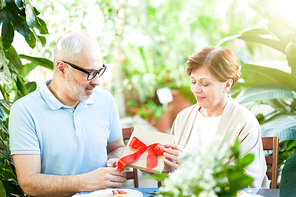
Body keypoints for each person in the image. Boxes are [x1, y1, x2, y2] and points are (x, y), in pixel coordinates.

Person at [9, 32, 126, 197]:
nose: (97, 81)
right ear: (62, 68)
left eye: (99, 71)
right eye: (90, 73)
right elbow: (28, 182)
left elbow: (117, 147)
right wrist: (83, 182)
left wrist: (115, 159)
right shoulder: (25, 110)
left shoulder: (105, 100)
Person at [163, 47, 269, 188]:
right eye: (193, 81)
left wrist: (192, 167)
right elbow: (172, 167)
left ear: (227, 84)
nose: (195, 89)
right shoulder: (184, 117)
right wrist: (153, 158)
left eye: (205, 83)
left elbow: (246, 182)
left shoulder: (244, 122)